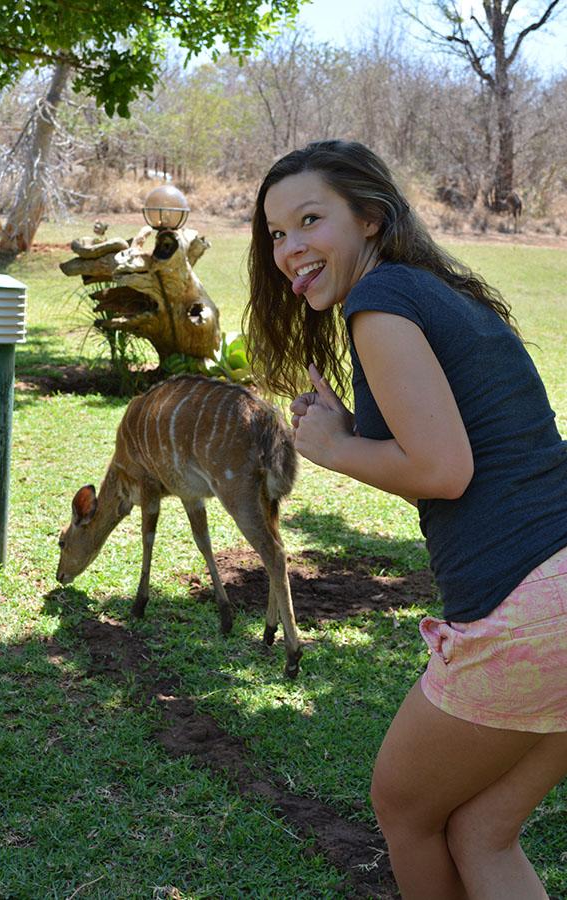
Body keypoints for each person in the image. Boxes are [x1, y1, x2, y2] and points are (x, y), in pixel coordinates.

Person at [243, 139, 567, 900]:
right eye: (277, 233)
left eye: (310, 220)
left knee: (402, 806)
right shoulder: (438, 293)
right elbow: (472, 455)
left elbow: (444, 472)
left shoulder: (379, 305)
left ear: (370, 218)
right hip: (558, 585)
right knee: (481, 832)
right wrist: (357, 432)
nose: (290, 249)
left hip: (527, 607)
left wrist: (331, 446)